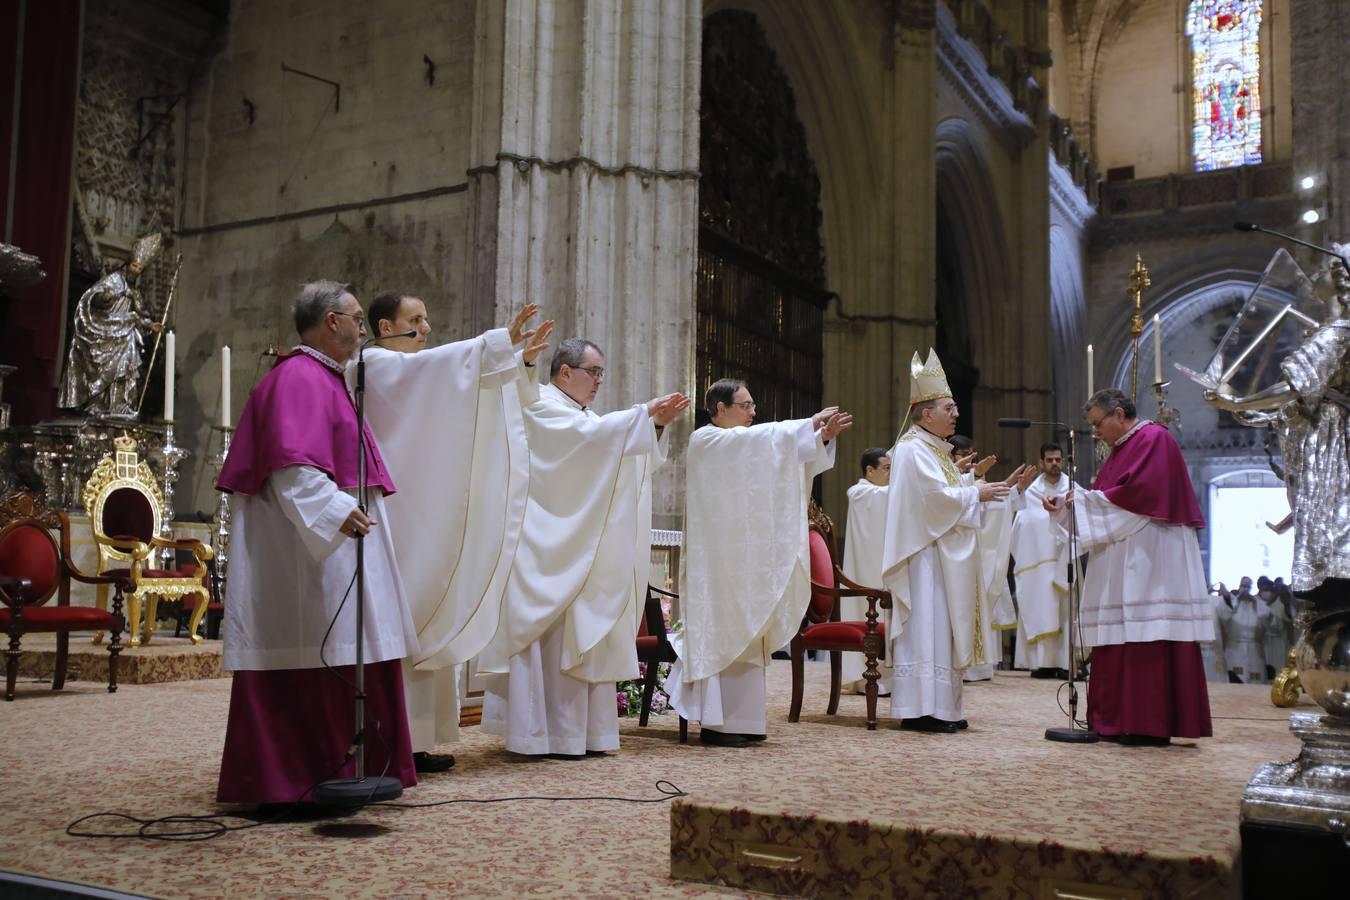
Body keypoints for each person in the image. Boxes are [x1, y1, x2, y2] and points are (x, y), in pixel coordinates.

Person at [215, 280, 418, 807]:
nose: (360, 327)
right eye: (355, 317)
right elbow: (293, 466)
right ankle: (299, 774)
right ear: (331, 321)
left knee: (354, 644)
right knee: (320, 643)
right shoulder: (299, 378)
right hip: (311, 552)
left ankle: (355, 765)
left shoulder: (327, 378)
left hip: (338, 539)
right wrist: (333, 512)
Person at [359, 290, 552, 773]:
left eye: (427, 319)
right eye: (415, 319)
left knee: (430, 613)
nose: (426, 328)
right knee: (405, 621)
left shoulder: (419, 369)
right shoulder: (371, 366)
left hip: (425, 512)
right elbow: (443, 373)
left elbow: (461, 385)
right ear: (385, 327)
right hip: (394, 517)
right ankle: (390, 738)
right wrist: (496, 344)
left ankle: (420, 739)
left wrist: (515, 361)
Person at [479, 338, 688, 757]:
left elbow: (603, 443)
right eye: (593, 372)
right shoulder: (541, 405)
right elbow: (585, 439)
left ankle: (582, 735)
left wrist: (654, 426)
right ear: (565, 373)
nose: (598, 381)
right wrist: (642, 415)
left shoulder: (581, 416)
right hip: (544, 550)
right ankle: (537, 736)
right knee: (552, 643)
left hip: (578, 549)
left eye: (601, 373)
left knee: (581, 636)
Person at [671, 380, 850, 747]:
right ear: (720, 408)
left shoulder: (743, 443)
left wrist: (820, 439)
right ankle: (718, 725)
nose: (753, 412)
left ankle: (745, 721)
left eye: (754, 405)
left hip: (745, 558)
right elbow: (758, 445)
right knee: (726, 630)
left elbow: (777, 460)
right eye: (745, 405)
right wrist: (805, 425)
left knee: (749, 630)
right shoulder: (706, 441)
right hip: (718, 563)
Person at [1044, 388, 1213, 746]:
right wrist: (1067, 505)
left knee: (1145, 635)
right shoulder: (1121, 449)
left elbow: (1139, 495)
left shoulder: (1154, 439)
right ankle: (1116, 719)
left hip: (1151, 557)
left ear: (1119, 414)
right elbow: (1106, 499)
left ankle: (1146, 722)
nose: (1096, 433)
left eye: (1097, 424)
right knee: (1119, 636)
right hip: (1127, 556)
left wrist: (1086, 503)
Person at [880, 350, 1025, 733]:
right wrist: (972, 492)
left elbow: (942, 492)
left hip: (940, 553)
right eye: (950, 407)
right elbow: (930, 501)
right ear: (926, 414)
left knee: (941, 631)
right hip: (925, 558)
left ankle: (942, 707)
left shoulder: (933, 451)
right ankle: (922, 710)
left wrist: (974, 488)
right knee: (929, 630)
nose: (957, 413)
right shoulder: (912, 450)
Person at [58, 232, 164, 416]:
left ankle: (119, 405)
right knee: (103, 371)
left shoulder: (136, 292)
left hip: (126, 336)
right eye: (134, 266)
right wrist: (106, 297)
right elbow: (94, 298)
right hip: (106, 332)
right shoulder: (114, 280)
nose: (136, 270)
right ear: (128, 264)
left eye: (140, 268)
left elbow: (139, 314)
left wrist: (150, 325)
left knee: (126, 370)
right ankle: (98, 403)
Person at [1011, 442, 1074, 679]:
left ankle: (1066, 663)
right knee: (1041, 607)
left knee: (1065, 611)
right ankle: (1043, 663)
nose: (1054, 464)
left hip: (1063, 561)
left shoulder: (1072, 489)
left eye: (1058, 460)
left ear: (1064, 461)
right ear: (1041, 462)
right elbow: (1021, 525)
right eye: (1049, 460)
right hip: (1036, 563)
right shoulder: (1031, 492)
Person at [839, 447, 892, 694]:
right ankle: (864, 677)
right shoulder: (860, 493)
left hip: (884, 567)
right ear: (869, 471)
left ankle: (891, 676)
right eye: (887, 468)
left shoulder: (881, 493)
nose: (891, 473)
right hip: (865, 573)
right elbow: (893, 497)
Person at [1217, 577, 1268, 684]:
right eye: (1243, 585)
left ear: (1251, 588)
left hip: (1254, 650)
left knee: (1255, 680)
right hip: (1235, 650)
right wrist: (1237, 601)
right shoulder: (1232, 602)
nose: (1245, 589)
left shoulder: (1258, 603)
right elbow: (1224, 615)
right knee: (1235, 679)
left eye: (1247, 586)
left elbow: (1265, 618)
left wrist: (1254, 602)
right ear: (1239, 586)